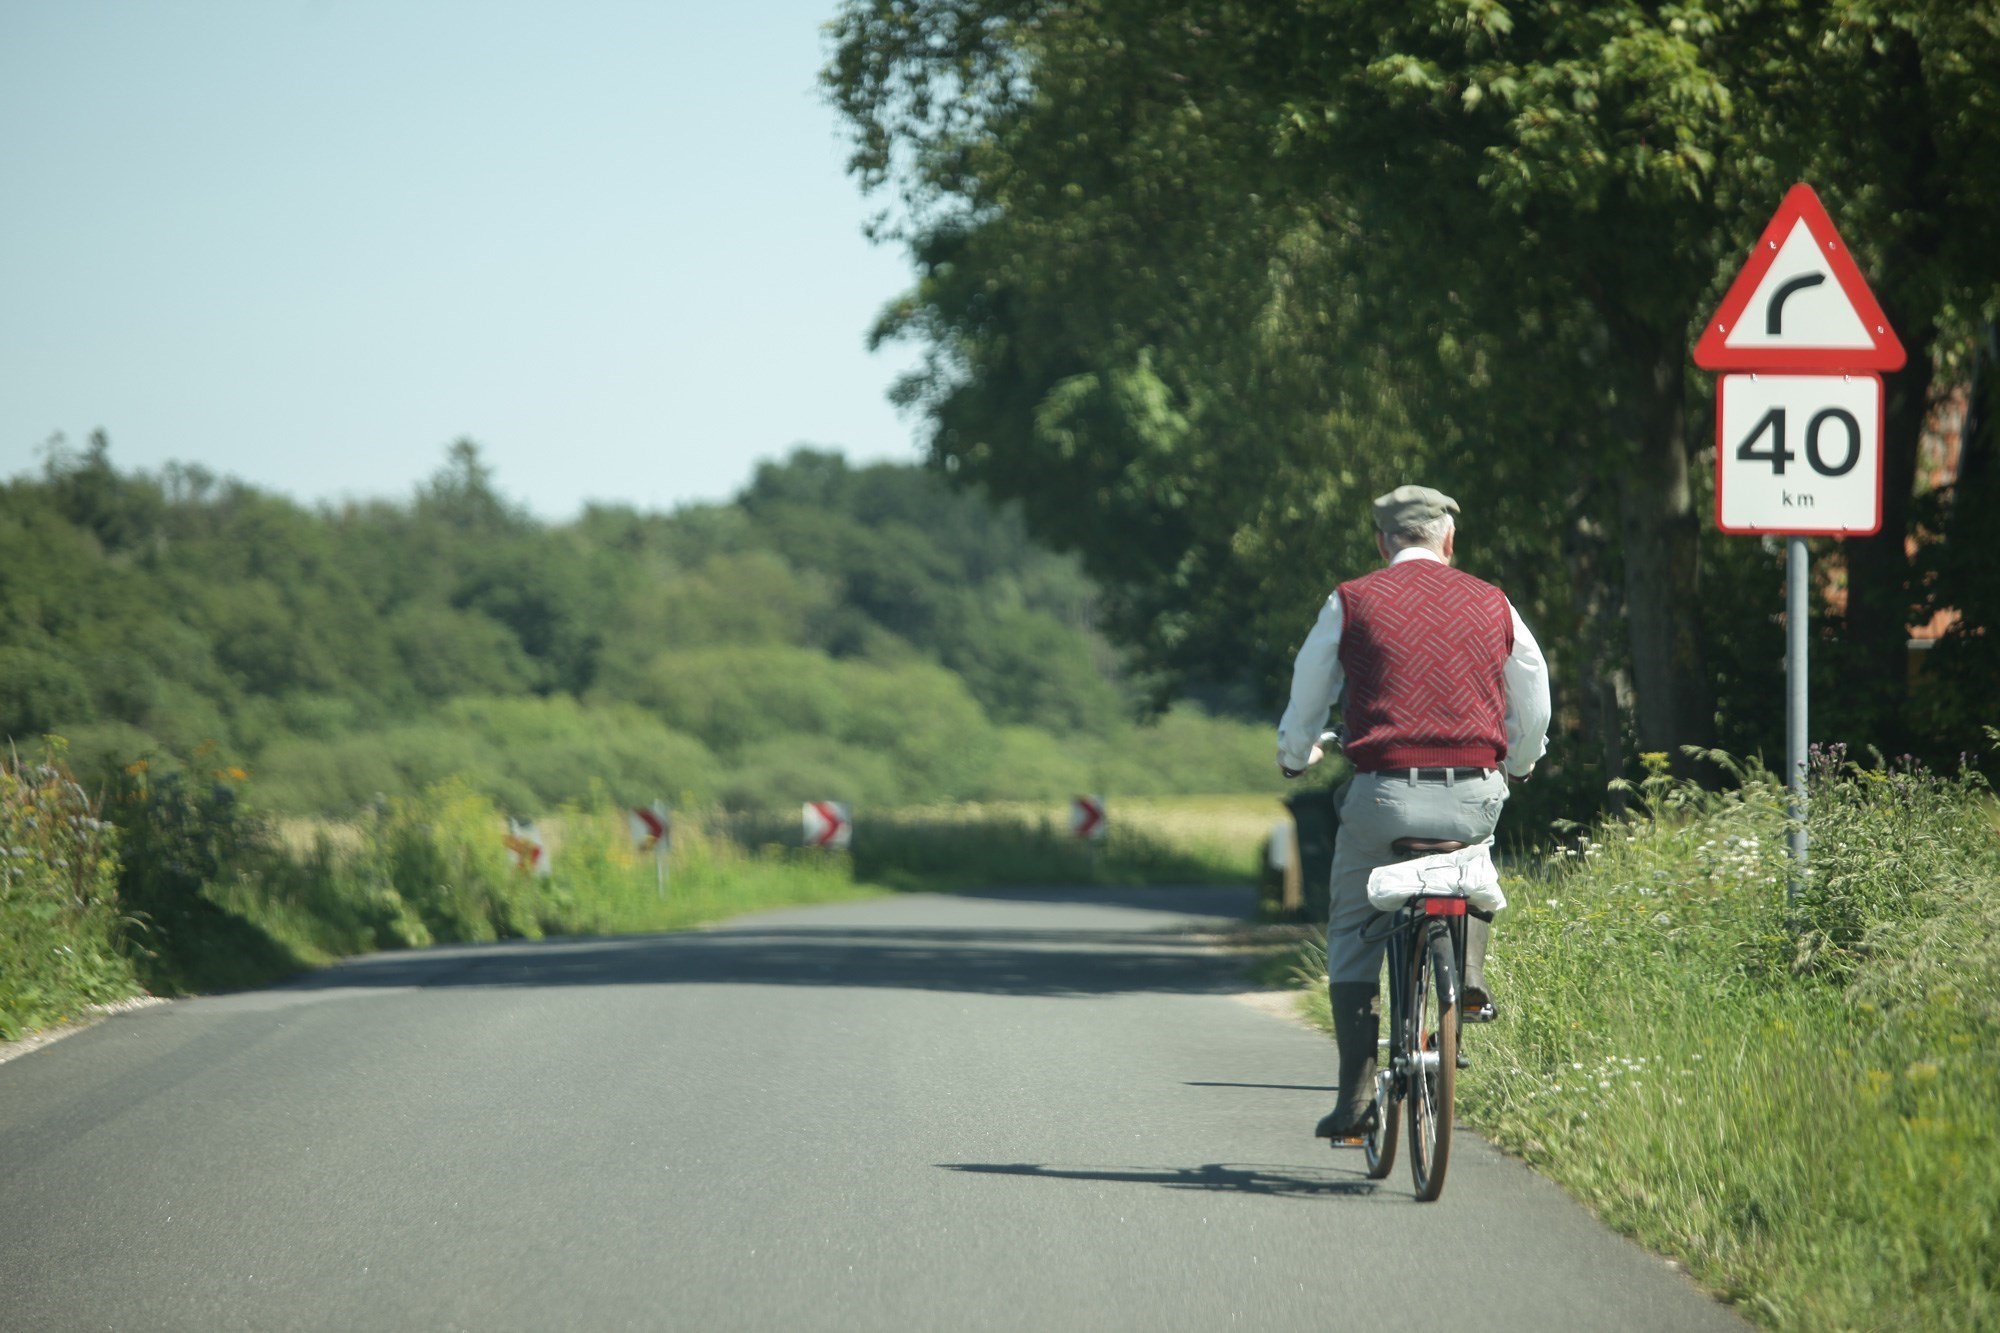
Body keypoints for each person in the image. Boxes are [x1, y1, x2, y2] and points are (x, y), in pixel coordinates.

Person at [1276, 484, 1551, 1139]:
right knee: (1470, 855)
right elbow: (1533, 696)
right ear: (1448, 539)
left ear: (1382, 541)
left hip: (1385, 794)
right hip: (1476, 787)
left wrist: (1295, 753)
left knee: (1351, 921)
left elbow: (1308, 690)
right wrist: (1519, 760)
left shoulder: (1352, 600)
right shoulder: (1493, 601)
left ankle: (1355, 1095)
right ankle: (1469, 978)